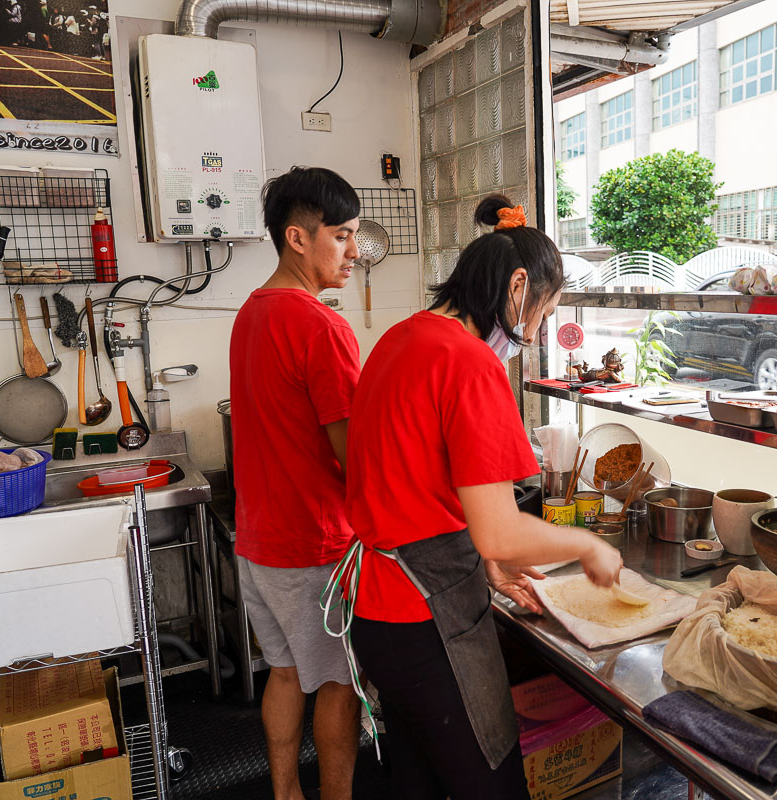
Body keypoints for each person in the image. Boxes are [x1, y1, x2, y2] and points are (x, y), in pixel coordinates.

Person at [327, 194, 623, 800]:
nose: (537, 332)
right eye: (544, 312)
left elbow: (414, 480)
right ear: (518, 286)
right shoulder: (469, 363)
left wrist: (486, 563)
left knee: (416, 780)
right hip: (426, 621)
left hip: (377, 614)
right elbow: (503, 532)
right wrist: (588, 545)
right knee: (491, 786)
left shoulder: (402, 337)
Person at [229, 167, 363, 800]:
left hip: (257, 539)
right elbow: (351, 455)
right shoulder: (322, 325)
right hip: (313, 544)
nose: (355, 252)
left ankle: (286, 794)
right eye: (343, 235)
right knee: (340, 683)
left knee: (283, 673)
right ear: (298, 238)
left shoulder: (250, 313)